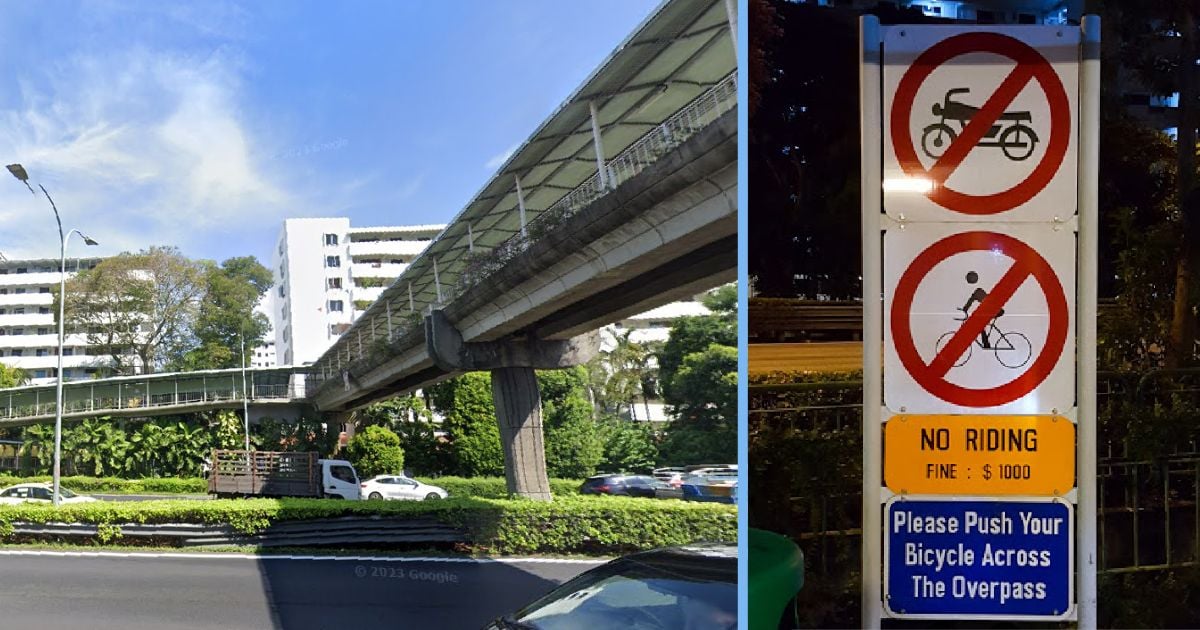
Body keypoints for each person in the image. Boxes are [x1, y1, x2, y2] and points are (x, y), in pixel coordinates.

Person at [960, 271, 1003, 349]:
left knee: (979, 325)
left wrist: (964, 309)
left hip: (995, 311)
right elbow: (971, 300)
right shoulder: (979, 292)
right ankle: (986, 345)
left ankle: (986, 345)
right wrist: (965, 309)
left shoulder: (978, 292)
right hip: (995, 310)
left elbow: (971, 300)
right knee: (980, 326)